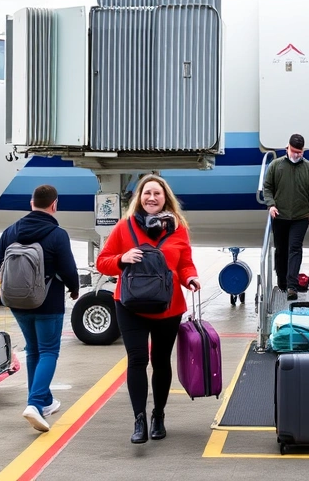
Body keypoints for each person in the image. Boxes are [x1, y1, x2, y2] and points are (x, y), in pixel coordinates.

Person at [96, 175, 201, 444]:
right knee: (137, 360)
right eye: (146, 193)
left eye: (157, 193)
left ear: (166, 198)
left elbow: (184, 263)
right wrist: (122, 258)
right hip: (130, 305)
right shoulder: (124, 227)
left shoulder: (178, 229)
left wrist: (190, 278)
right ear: (139, 198)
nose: (151, 198)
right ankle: (139, 419)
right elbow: (102, 262)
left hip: (168, 307)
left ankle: (159, 415)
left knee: (161, 362)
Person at [0, 184, 81, 433]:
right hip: (48, 302)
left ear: (31, 204)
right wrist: (74, 289)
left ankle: (45, 402)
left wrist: (16, 283)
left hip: (18, 303)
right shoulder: (57, 234)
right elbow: (69, 270)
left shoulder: (11, 232)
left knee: (34, 352)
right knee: (49, 351)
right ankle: (34, 403)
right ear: (54, 205)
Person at [262, 133, 309, 301]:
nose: (297, 155)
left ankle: (292, 286)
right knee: (281, 250)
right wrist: (271, 204)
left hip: (301, 216)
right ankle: (282, 281)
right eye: (294, 151)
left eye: (300, 152)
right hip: (279, 215)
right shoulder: (275, 165)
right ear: (288, 148)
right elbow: (267, 187)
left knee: (295, 248)